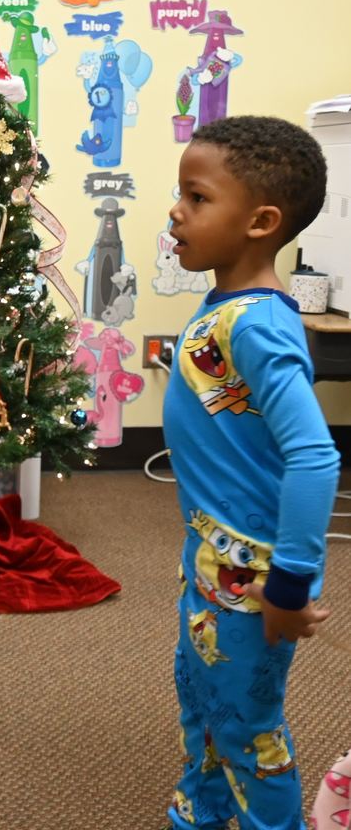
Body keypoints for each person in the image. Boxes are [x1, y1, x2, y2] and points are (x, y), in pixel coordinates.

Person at [161, 115, 341, 830]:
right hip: (211, 555)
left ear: (261, 222)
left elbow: (315, 455)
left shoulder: (258, 325)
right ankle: (199, 814)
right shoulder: (230, 309)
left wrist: (290, 585)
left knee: (248, 730)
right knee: (204, 703)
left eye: (197, 198)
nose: (177, 211)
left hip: (256, 576)